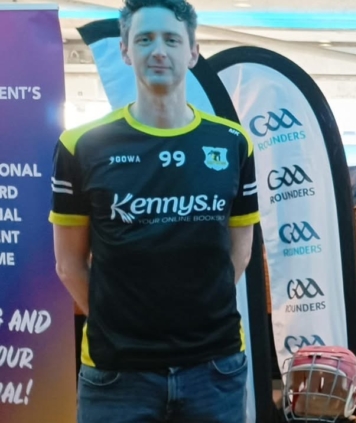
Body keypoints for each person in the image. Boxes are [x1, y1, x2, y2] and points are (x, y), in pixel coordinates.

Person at [48, 0, 258, 421]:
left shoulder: (233, 144)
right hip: (116, 374)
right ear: (125, 50)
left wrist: (192, 313)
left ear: (192, 52)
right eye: (144, 39)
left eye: (171, 39)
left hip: (214, 368)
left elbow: (239, 252)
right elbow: (69, 263)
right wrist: (120, 321)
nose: (158, 50)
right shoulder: (81, 146)